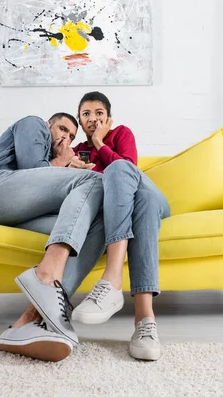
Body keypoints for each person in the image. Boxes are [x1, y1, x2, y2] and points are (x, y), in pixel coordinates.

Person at [0, 113, 106, 362]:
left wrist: (65, 169)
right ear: (49, 124)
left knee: (99, 222)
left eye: (70, 136)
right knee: (96, 180)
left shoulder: (53, 158)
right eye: (62, 128)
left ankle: (30, 320)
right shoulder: (34, 125)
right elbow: (32, 170)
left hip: (16, 211)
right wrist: (63, 163)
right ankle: (45, 275)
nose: (65, 137)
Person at [70, 91, 171, 361]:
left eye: (99, 113)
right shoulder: (76, 152)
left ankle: (112, 278)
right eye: (86, 114)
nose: (93, 118)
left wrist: (101, 143)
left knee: (126, 175)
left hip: (152, 192)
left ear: (109, 118)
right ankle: (145, 322)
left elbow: (129, 169)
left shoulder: (121, 134)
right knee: (145, 203)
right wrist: (71, 167)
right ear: (80, 121)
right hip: (144, 205)